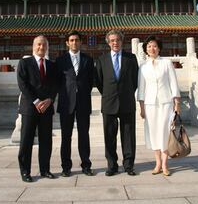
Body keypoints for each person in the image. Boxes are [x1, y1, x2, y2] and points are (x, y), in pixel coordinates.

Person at [95, 30, 139, 176]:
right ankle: (112, 165)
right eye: (112, 40)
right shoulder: (101, 59)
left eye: (118, 40)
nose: (115, 43)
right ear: (108, 42)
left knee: (128, 135)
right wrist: (109, 94)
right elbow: (99, 82)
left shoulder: (131, 58)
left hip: (127, 102)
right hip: (109, 102)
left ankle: (128, 165)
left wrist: (125, 93)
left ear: (122, 41)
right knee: (109, 136)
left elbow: (135, 81)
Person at [137, 35, 181, 176]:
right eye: (149, 46)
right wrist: (142, 107)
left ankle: (165, 165)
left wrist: (177, 103)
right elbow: (141, 88)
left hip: (166, 102)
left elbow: (173, 83)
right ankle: (157, 164)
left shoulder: (166, 63)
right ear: (146, 49)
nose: (152, 48)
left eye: (154, 46)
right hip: (150, 104)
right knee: (154, 133)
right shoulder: (143, 66)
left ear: (159, 47)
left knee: (165, 132)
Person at [17, 35, 57, 182]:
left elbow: (55, 85)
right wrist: (36, 101)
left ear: (47, 47)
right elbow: (23, 84)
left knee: (46, 140)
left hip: (46, 107)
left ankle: (45, 169)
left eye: (44, 45)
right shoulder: (25, 63)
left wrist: (50, 99)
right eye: (38, 45)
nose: (41, 47)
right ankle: (25, 171)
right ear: (33, 46)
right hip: (30, 108)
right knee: (26, 140)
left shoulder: (51, 65)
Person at [56, 30, 94, 177]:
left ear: (80, 42)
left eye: (77, 40)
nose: (74, 42)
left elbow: (91, 80)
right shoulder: (60, 60)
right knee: (66, 136)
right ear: (67, 43)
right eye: (71, 40)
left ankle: (86, 165)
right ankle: (66, 166)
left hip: (83, 102)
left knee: (84, 134)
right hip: (66, 103)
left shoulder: (88, 59)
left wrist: (82, 91)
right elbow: (57, 81)